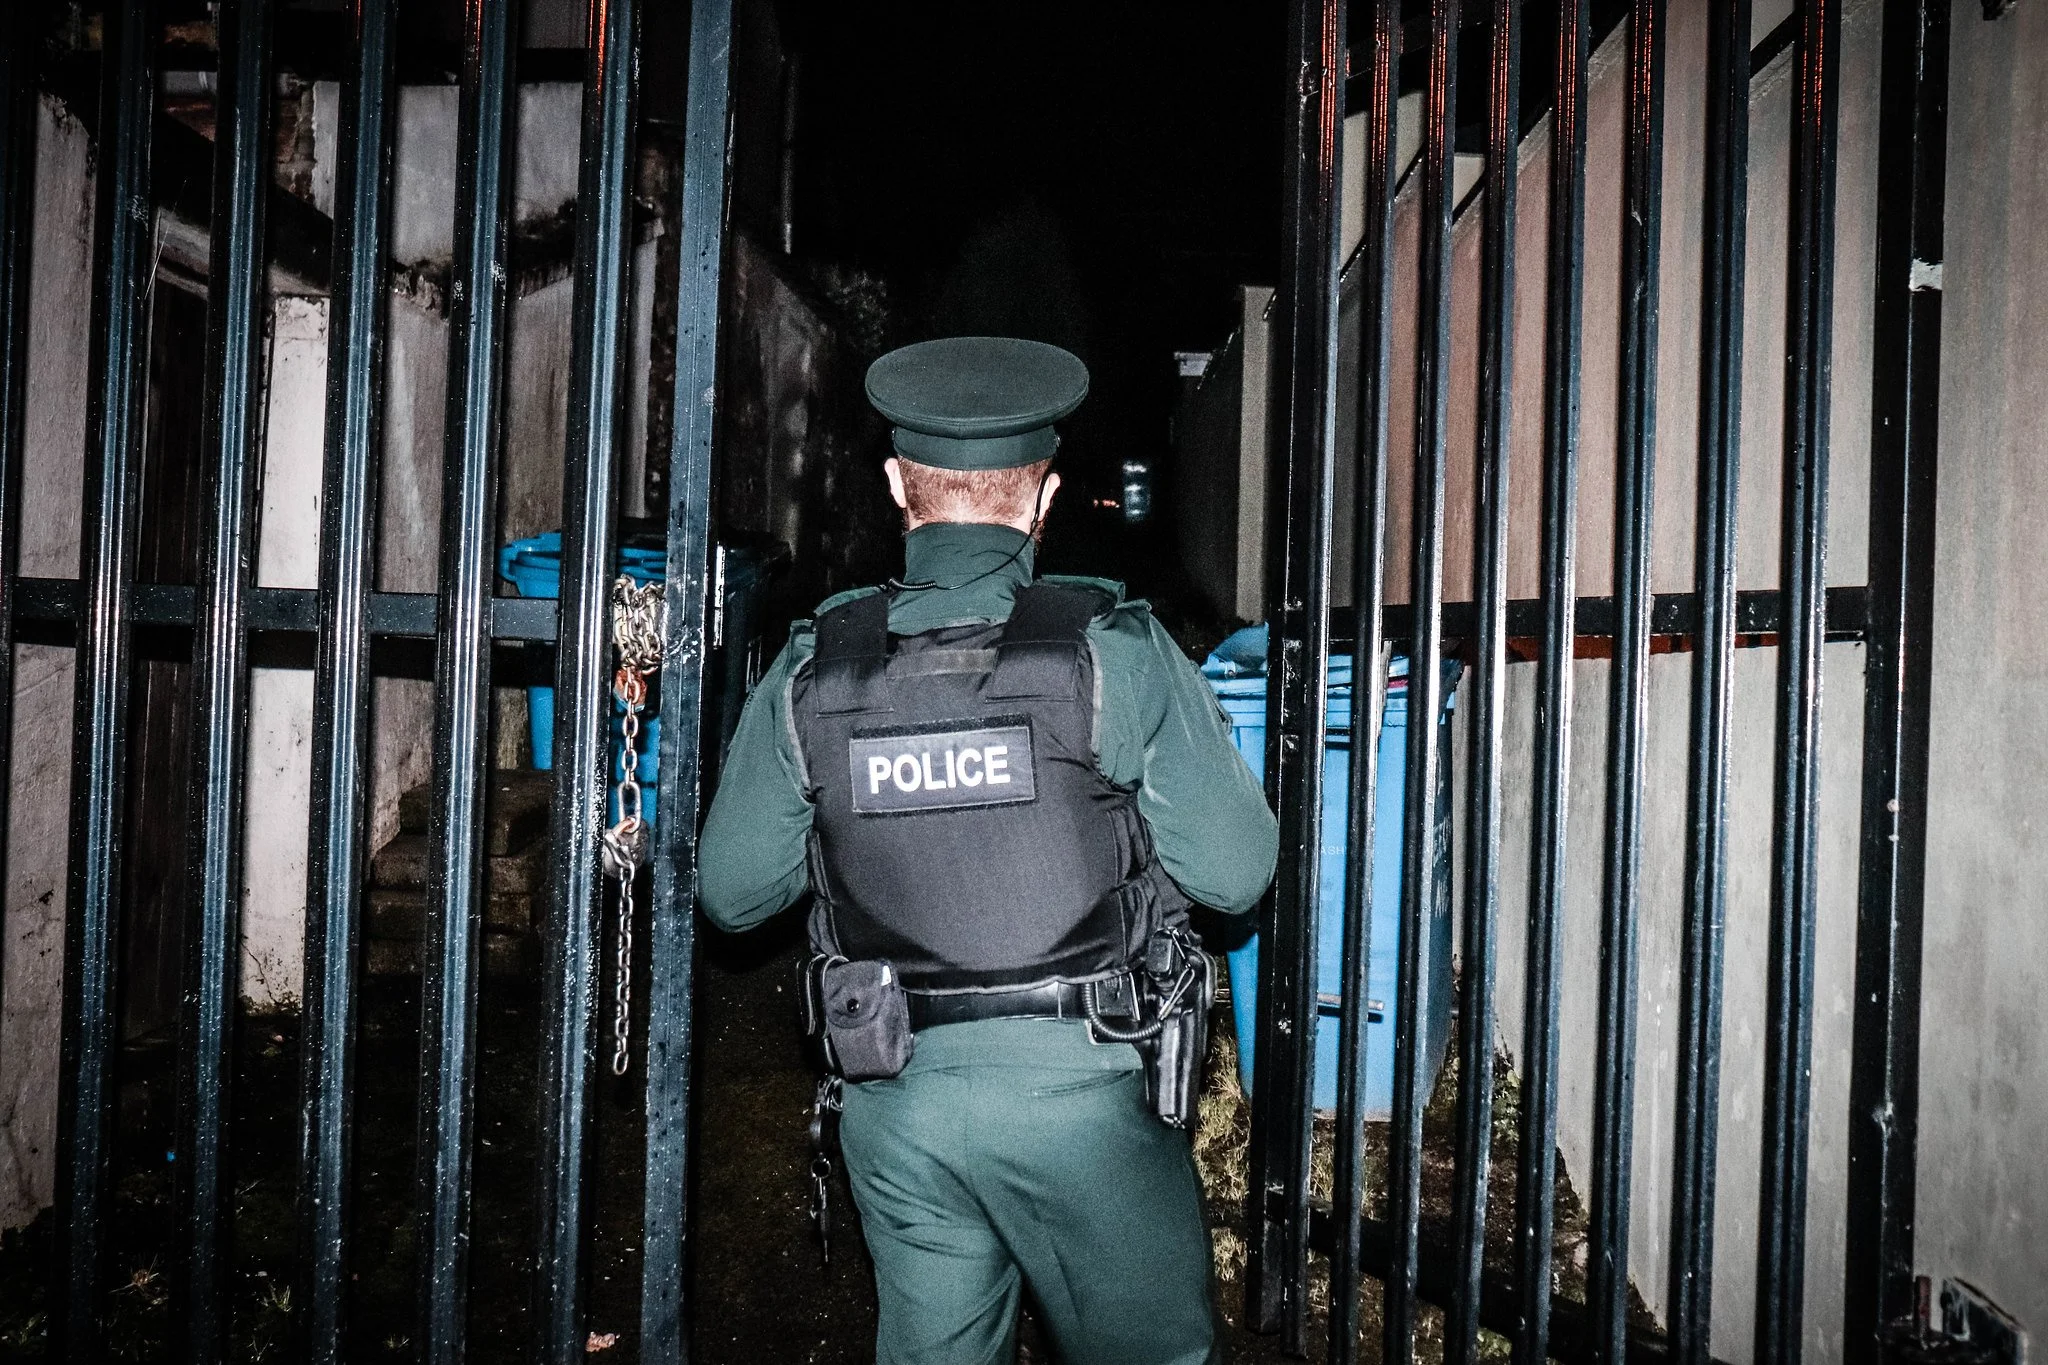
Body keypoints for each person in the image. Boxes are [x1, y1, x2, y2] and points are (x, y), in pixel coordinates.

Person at [699, 335, 1279, 1365]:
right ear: (1044, 494)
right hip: (1085, 1102)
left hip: (896, 1097)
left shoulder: (813, 669)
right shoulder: (1114, 652)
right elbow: (1235, 874)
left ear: (896, 486)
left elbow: (735, 896)